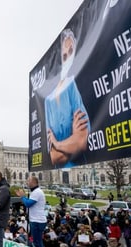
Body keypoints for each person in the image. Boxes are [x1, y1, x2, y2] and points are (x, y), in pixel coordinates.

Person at [44, 28, 90, 168]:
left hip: (80, 168)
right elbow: (55, 157)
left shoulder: (73, 86)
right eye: (64, 55)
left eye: (71, 52)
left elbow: (81, 142)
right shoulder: (48, 100)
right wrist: (71, 142)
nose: (68, 57)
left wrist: (58, 144)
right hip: (57, 170)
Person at [16, 176, 46, 247]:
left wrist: (22, 197)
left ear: (33, 182)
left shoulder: (37, 192)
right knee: (37, 242)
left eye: (28, 181)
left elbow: (28, 204)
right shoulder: (35, 191)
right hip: (36, 219)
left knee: (37, 243)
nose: (27, 182)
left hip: (37, 220)